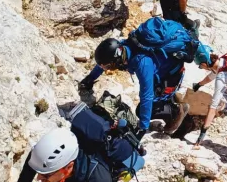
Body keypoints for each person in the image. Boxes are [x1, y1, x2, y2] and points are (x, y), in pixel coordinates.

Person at [79, 29, 207, 137]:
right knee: (154, 97)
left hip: (170, 75)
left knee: (142, 110)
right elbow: (104, 62)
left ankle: (177, 111)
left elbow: (146, 95)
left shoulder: (142, 63)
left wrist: (142, 129)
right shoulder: (123, 46)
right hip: (162, 68)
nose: (107, 69)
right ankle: (170, 99)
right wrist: (89, 79)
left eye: (108, 67)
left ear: (117, 61)